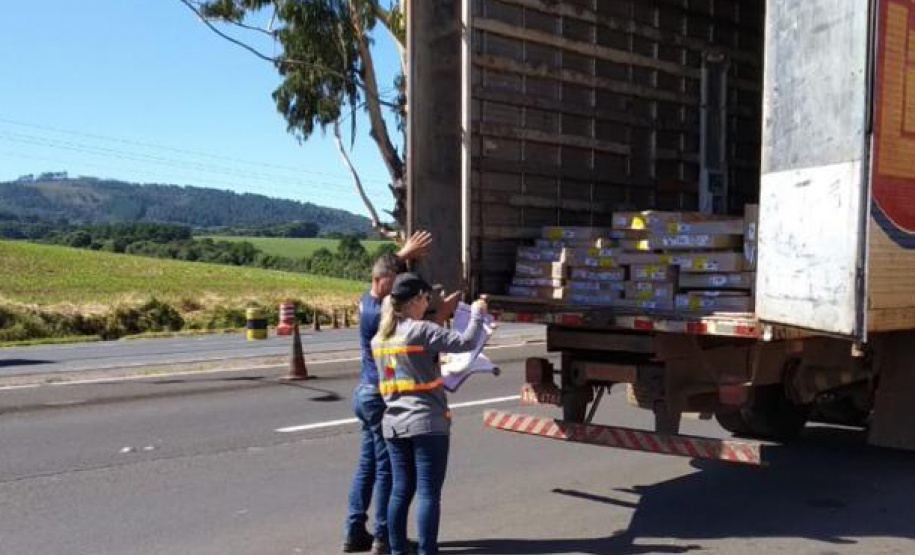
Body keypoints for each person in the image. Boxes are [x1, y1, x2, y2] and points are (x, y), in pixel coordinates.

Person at [344, 231, 458, 554]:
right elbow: (403, 317)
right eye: (392, 281)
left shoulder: (367, 302)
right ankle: (383, 536)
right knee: (388, 472)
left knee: (368, 464)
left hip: (366, 394)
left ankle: (355, 529)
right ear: (379, 281)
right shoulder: (377, 313)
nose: (396, 288)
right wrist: (439, 313)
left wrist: (401, 258)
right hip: (380, 397)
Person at [372, 273, 487, 555]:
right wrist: (477, 313)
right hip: (426, 423)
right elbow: (467, 342)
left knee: (400, 491)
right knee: (428, 494)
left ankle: (397, 550)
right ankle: (426, 551)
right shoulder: (419, 330)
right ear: (413, 301)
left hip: (394, 425)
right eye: (425, 299)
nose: (427, 304)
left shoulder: (381, 337)